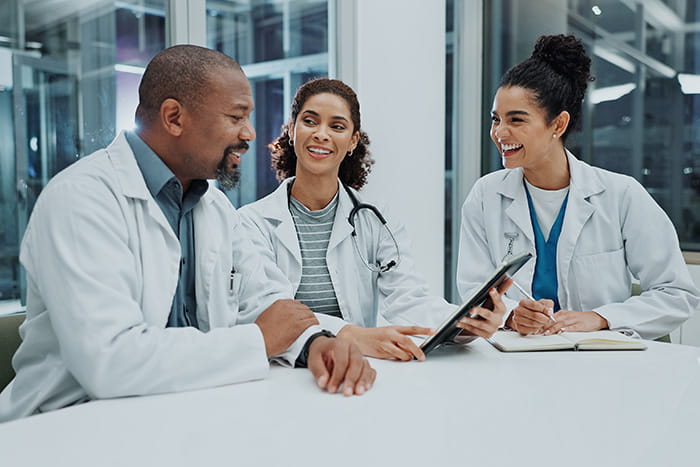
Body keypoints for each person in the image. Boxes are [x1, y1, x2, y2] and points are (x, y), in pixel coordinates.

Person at [0, 46, 375, 422]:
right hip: (65, 426)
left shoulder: (212, 206)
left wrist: (315, 344)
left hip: (181, 413)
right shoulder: (81, 199)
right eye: (236, 117)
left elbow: (265, 301)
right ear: (174, 118)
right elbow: (110, 361)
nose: (249, 133)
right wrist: (257, 341)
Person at [240, 78, 509, 362]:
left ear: (353, 141)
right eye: (310, 121)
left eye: (337, 126)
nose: (321, 134)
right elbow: (272, 311)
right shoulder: (252, 223)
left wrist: (464, 322)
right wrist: (349, 334)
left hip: (357, 368)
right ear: (292, 130)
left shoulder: (375, 219)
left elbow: (408, 299)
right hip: (284, 372)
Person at [457, 34, 699, 339]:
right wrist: (510, 316)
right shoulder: (485, 196)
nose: (500, 132)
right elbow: (473, 291)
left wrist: (600, 317)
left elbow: (677, 293)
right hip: (518, 360)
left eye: (516, 120)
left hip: (599, 364)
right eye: (496, 120)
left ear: (558, 125)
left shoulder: (621, 196)